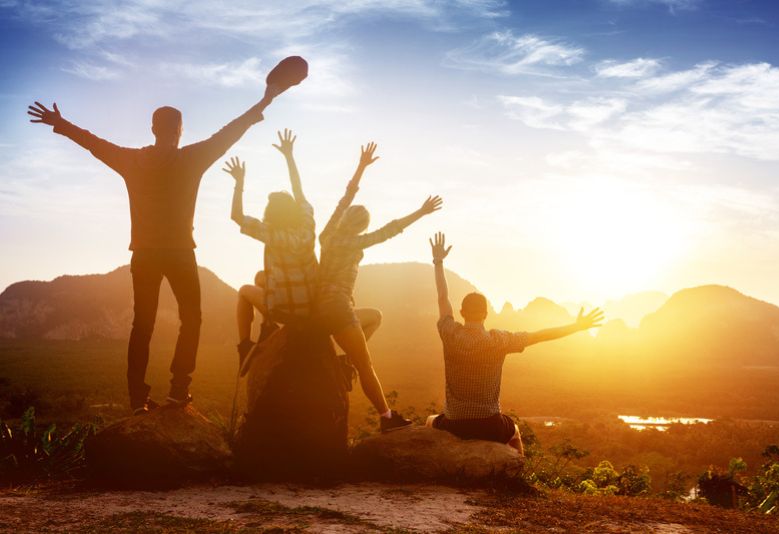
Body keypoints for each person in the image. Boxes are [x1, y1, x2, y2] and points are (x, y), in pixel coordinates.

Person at [27, 84, 285, 415]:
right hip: (180, 253)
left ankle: (137, 400)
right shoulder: (192, 157)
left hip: (145, 254)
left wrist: (60, 124)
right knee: (192, 318)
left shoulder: (132, 160)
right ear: (180, 130)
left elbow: (94, 144)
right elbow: (229, 133)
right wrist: (262, 103)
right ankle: (179, 390)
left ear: (152, 129)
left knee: (142, 324)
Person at [427, 232, 604, 453]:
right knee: (515, 431)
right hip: (489, 425)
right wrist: (576, 327)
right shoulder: (499, 340)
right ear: (485, 314)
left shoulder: (449, 333)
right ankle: (518, 475)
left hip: (454, 424)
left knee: (429, 421)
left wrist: (438, 262)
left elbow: (442, 298)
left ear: (462, 312)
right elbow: (540, 335)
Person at [316, 141, 443, 433]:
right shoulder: (357, 241)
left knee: (374, 315)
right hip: (338, 307)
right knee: (366, 365)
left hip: (319, 306)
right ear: (361, 227)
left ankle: (344, 359)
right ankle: (386, 417)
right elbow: (391, 229)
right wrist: (421, 212)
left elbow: (344, 199)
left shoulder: (326, 235)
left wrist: (360, 167)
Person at [224, 129, 317, 375]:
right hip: (310, 304)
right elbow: (300, 192)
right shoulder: (308, 225)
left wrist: (239, 183)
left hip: (285, 310)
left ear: (271, 214)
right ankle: (268, 328)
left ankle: (245, 346)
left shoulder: (271, 233)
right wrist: (289, 156)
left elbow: (236, 216)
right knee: (260, 277)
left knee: (245, 291)